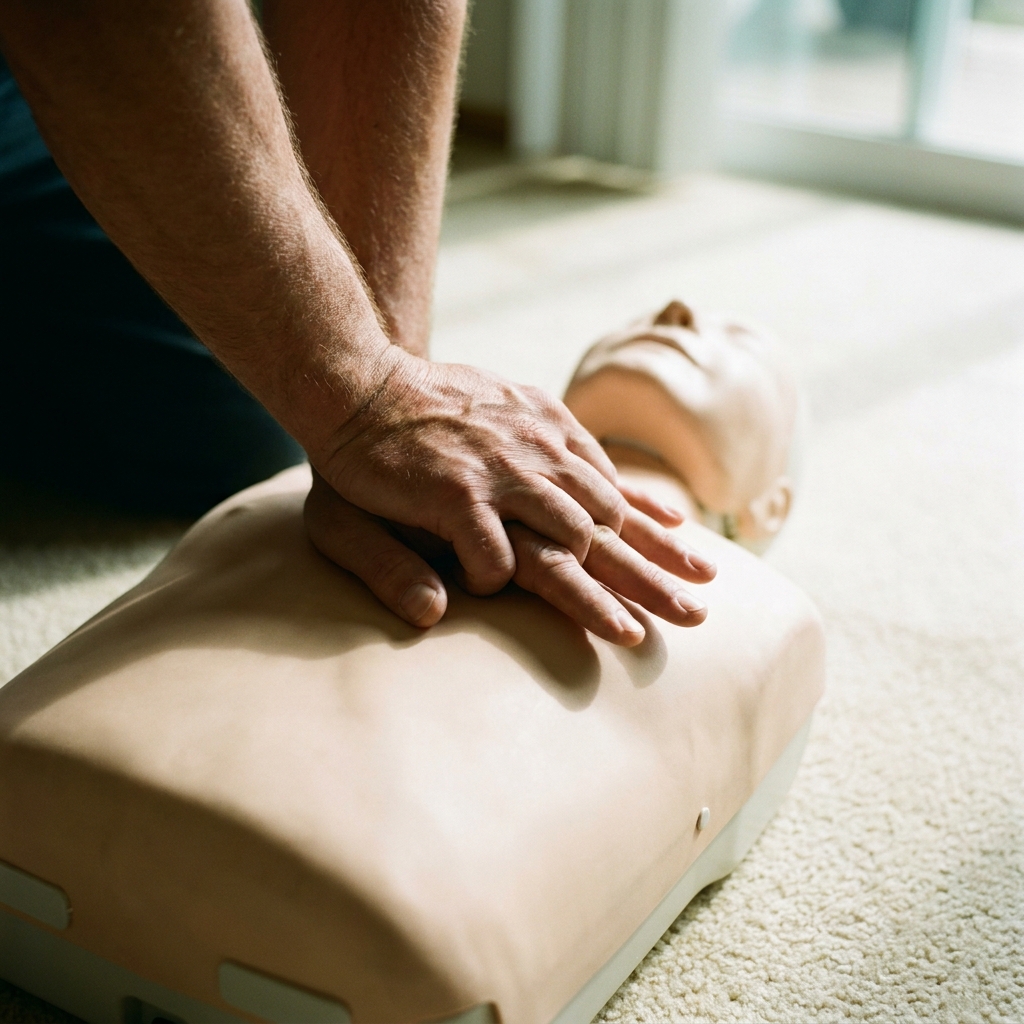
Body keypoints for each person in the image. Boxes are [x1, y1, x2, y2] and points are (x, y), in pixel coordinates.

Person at [0, 0, 717, 649]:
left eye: (733, 338)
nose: (680, 313)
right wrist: (365, 396)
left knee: (244, 413)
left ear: (764, 507)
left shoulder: (732, 600)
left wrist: (390, 397)